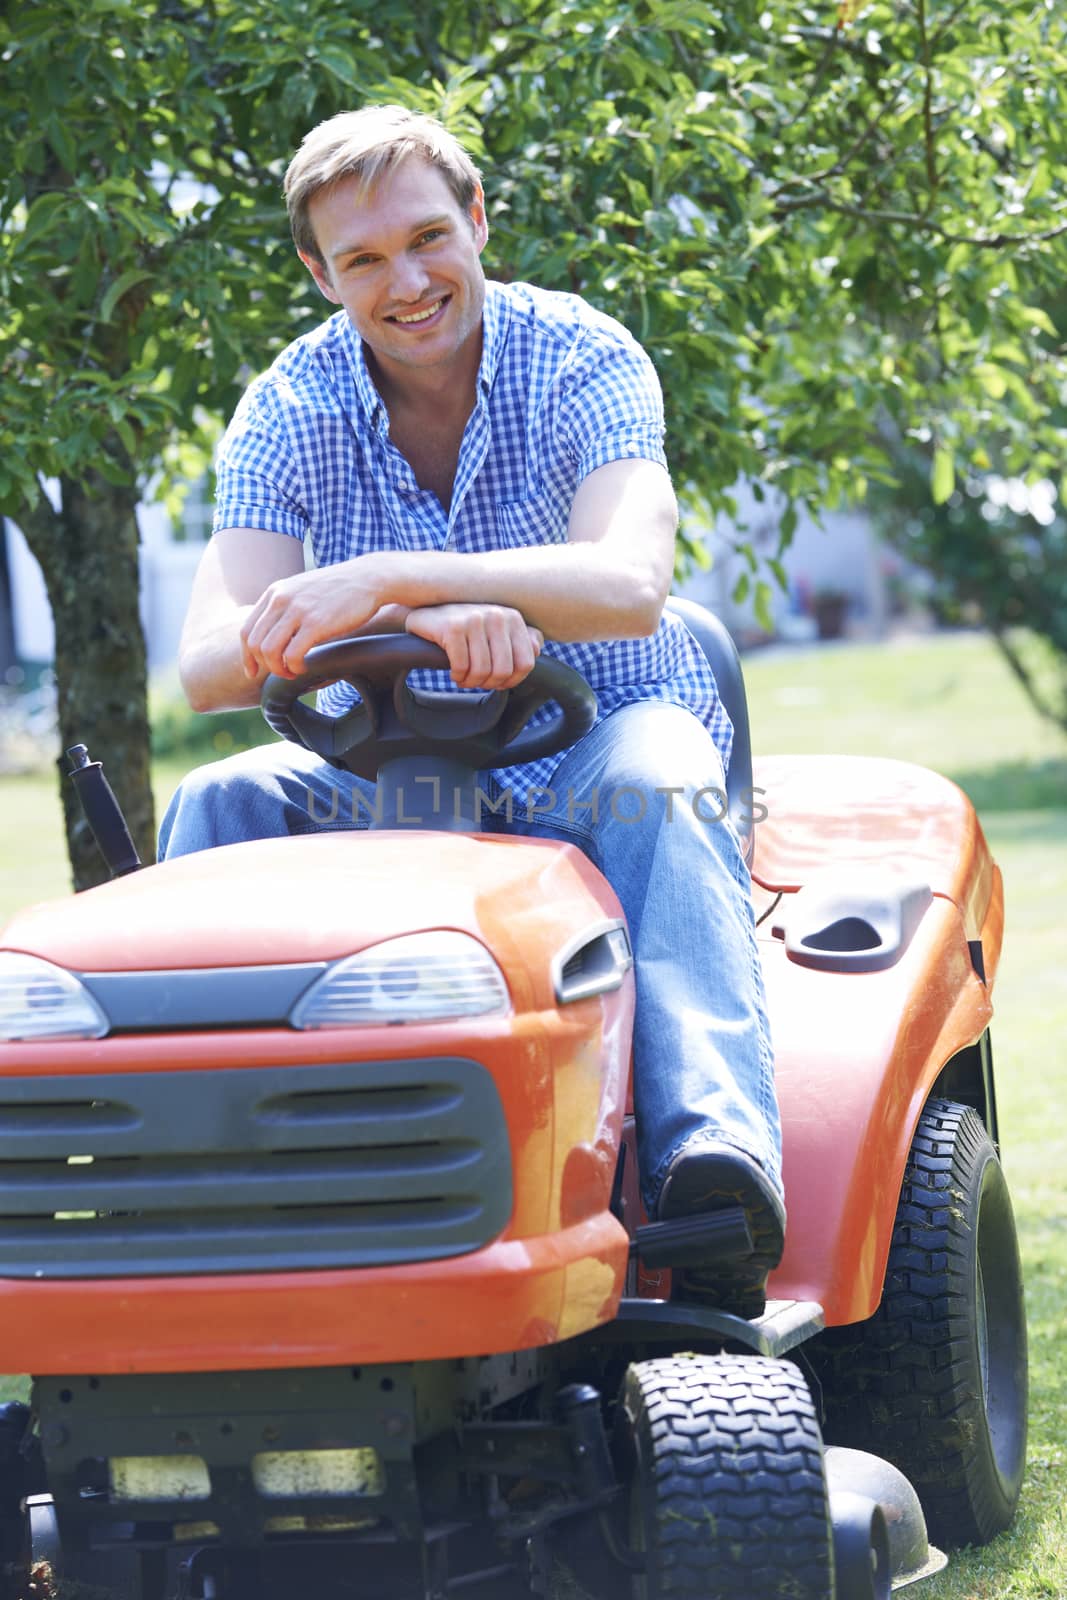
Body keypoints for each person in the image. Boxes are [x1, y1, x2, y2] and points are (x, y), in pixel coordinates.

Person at [161, 104, 784, 1317]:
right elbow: (204, 663)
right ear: (318, 272)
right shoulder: (286, 410)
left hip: (593, 742)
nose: (407, 281)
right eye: (363, 260)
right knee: (219, 792)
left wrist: (408, 580)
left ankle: (711, 1170)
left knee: (659, 768)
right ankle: (210, 1179)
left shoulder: (586, 358)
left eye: (426, 238)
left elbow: (627, 585)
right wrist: (382, 627)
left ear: (478, 220)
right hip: (380, 766)